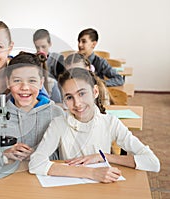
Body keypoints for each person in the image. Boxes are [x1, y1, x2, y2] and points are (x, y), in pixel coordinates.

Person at [29, 68, 160, 183]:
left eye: (82, 94)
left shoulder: (110, 123)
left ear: (95, 92)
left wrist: (104, 157)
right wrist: (90, 173)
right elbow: (36, 163)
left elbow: (152, 163)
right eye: (69, 97)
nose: (77, 103)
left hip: (103, 189)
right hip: (70, 190)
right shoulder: (59, 124)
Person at [2, 51, 64, 161]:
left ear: (41, 83)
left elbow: (62, 156)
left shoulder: (57, 114)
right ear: (8, 82)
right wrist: (4, 153)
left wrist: (37, 155)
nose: (24, 87)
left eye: (32, 81)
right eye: (17, 80)